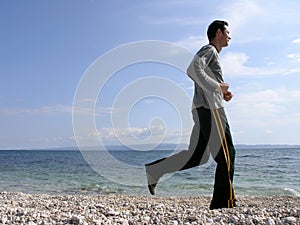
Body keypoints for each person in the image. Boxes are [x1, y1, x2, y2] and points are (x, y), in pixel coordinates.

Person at [145, 20, 236, 210]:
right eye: (227, 32)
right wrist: (218, 87)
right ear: (218, 32)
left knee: (197, 156)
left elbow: (204, 79)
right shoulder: (210, 50)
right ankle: (222, 204)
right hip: (211, 110)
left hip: (202, 109)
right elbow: (193, 69)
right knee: (227, 155)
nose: (230, 36)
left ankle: (155, 170)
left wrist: (221, 92)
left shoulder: (212, 54)